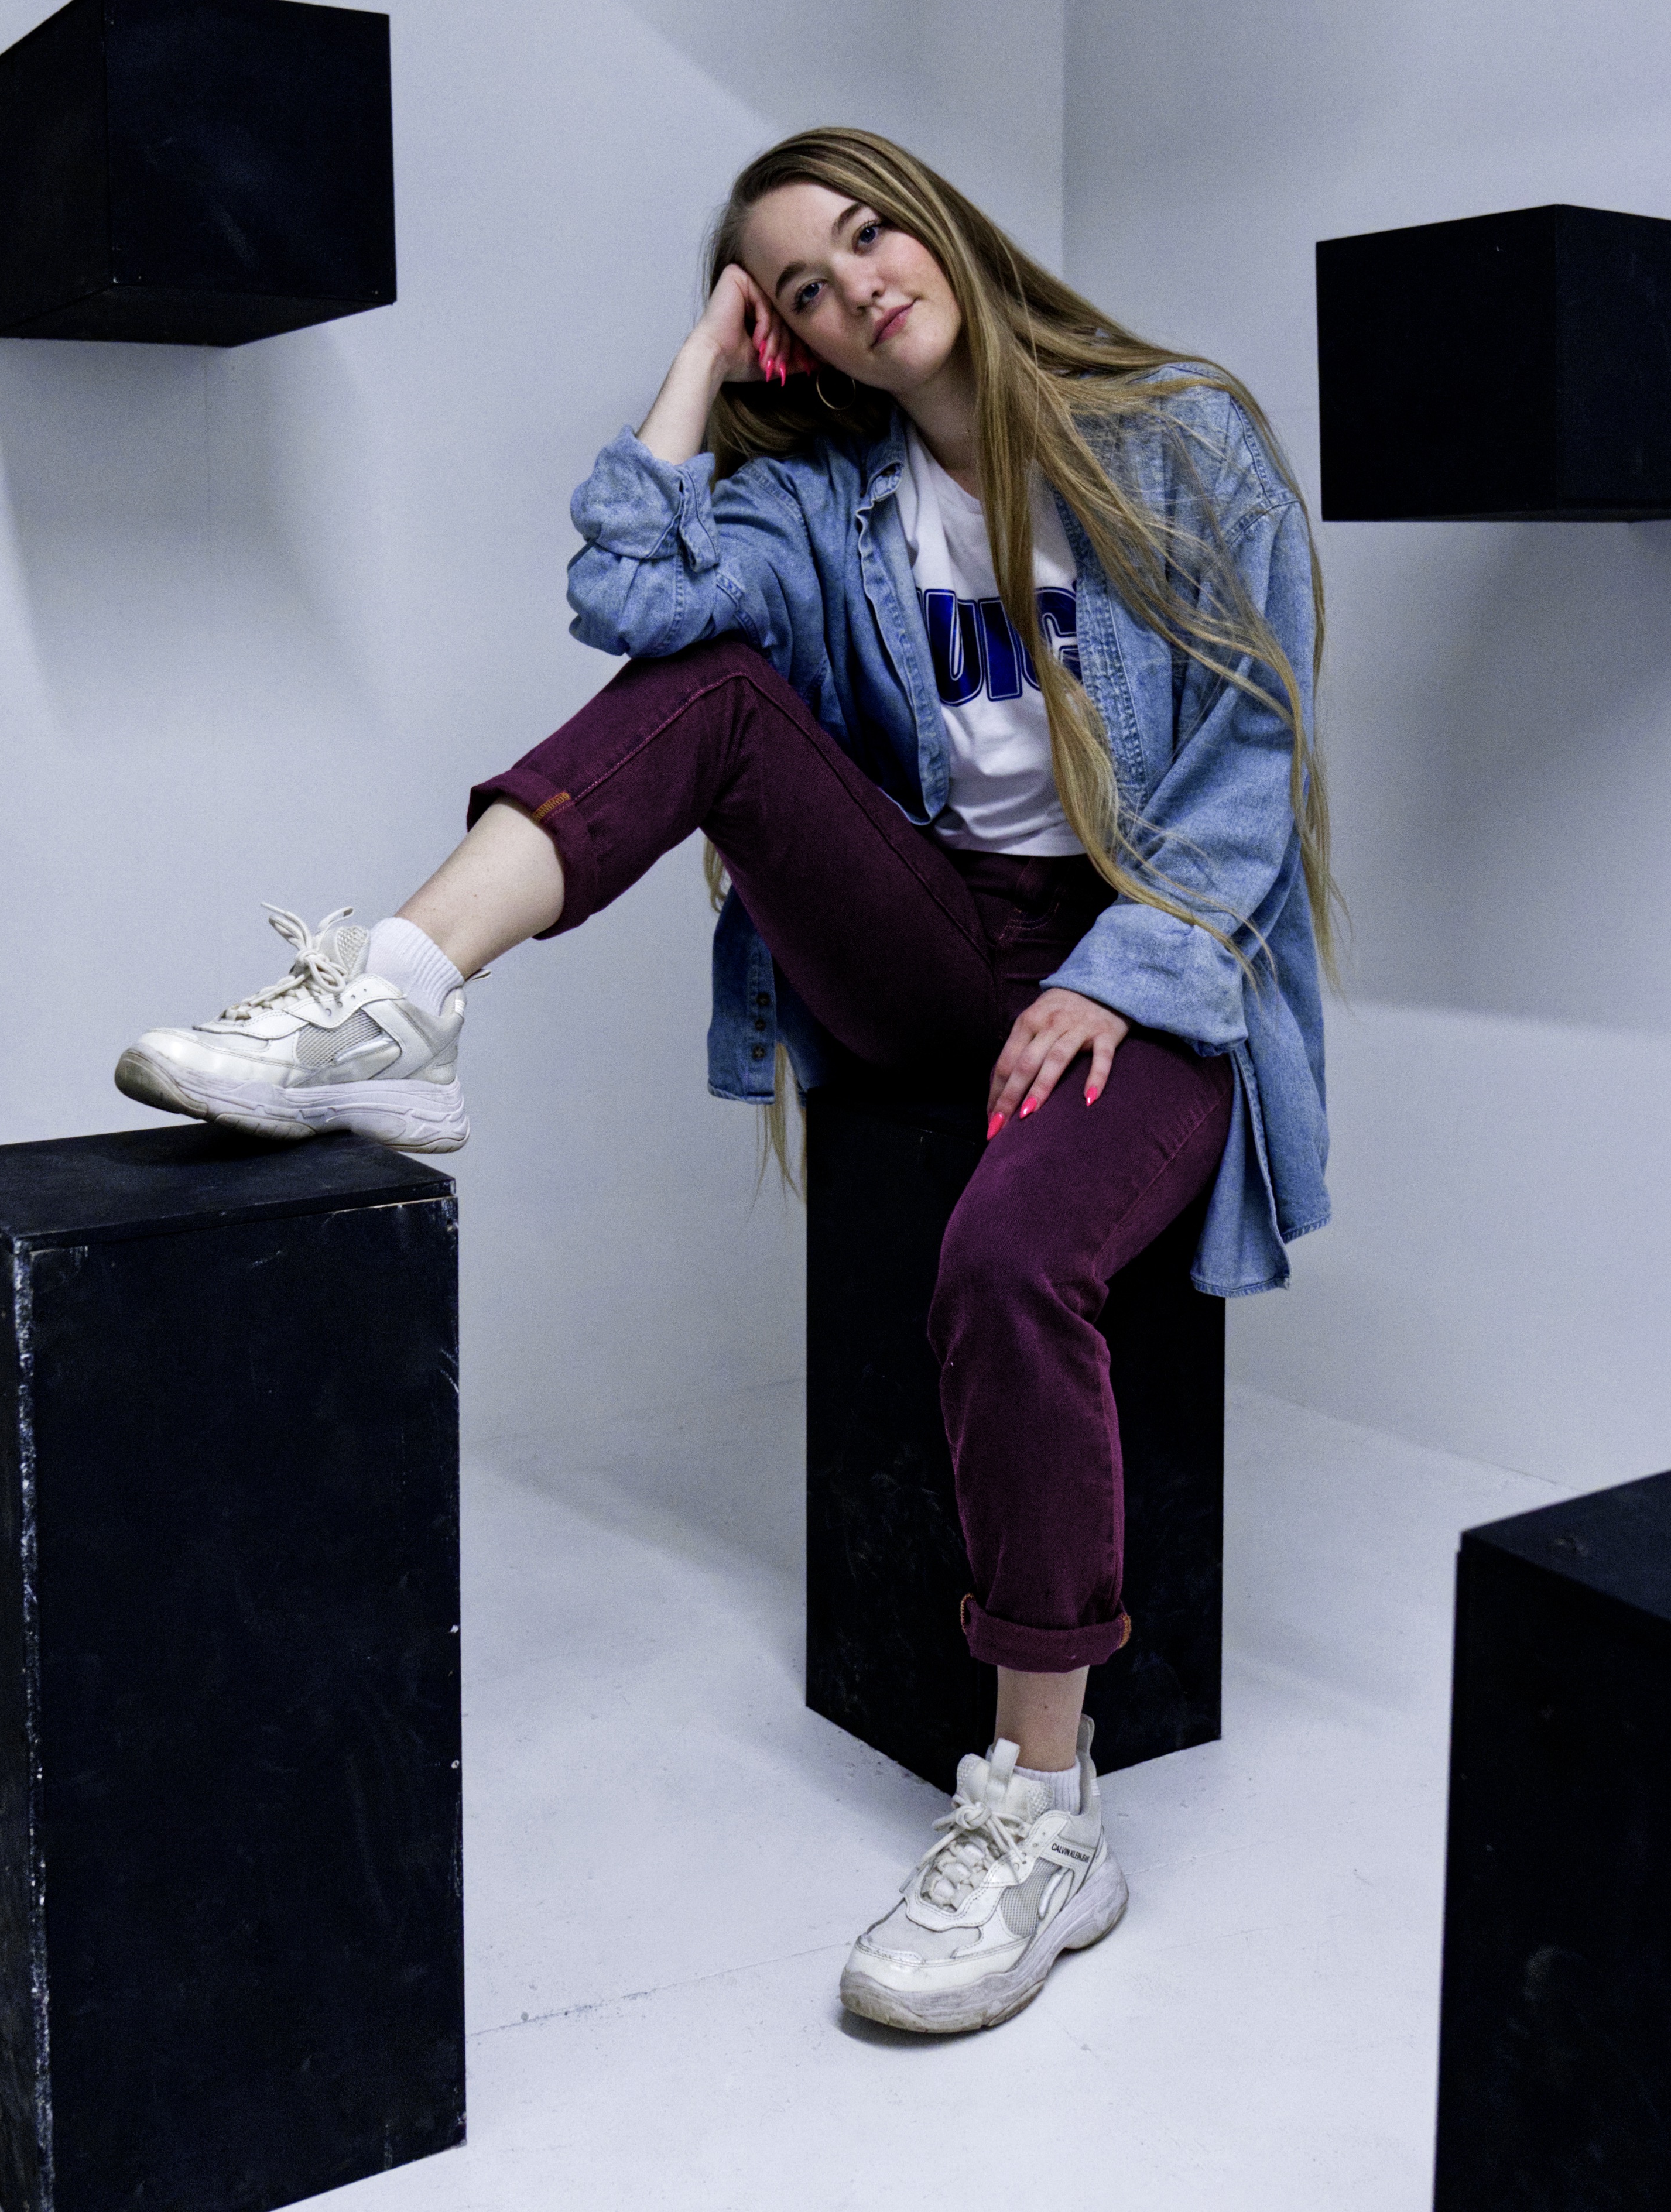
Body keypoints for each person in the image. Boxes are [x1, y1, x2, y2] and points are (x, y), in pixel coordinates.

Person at [114, 127, 1336, 2036]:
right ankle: (404, 998)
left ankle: (1043, 1814)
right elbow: (629, 589)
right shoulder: (833, 501)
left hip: (1149, 971)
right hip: (931, 949)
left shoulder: (1176, 436)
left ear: (928, 217)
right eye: (802, 290)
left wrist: (1129, 968)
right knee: (707, 699)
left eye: (864, 235)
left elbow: (1254, 752)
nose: (858, 288)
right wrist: (700, 355)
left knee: (1007, 1261)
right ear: (800, 344)